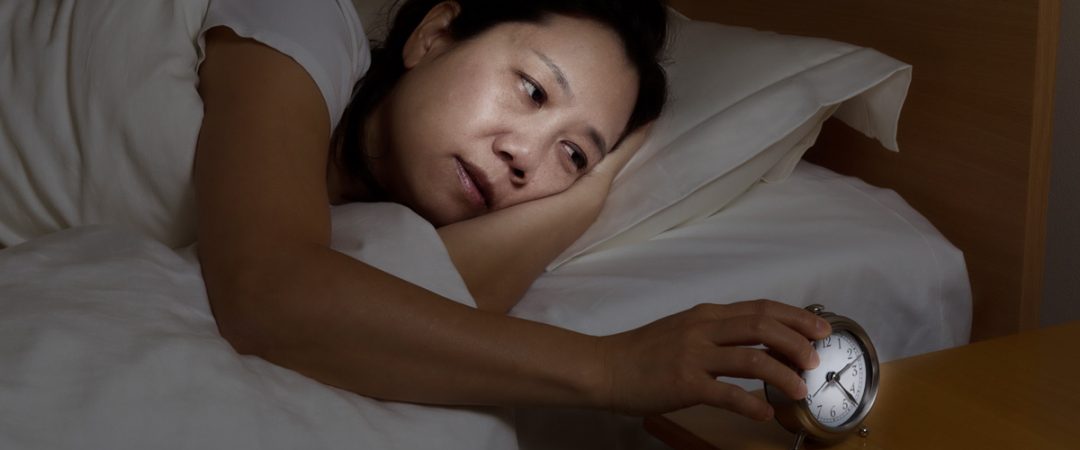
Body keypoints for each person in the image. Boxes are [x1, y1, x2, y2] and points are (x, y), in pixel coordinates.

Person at [203, 0, 830, 420]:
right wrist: (610, 367)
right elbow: (268, 292)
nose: (524, 158)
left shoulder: (381, 218)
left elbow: (426, 295)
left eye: (572, 153)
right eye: (532, 90)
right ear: (433, 35)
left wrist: (590, 193)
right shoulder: (299, 20)